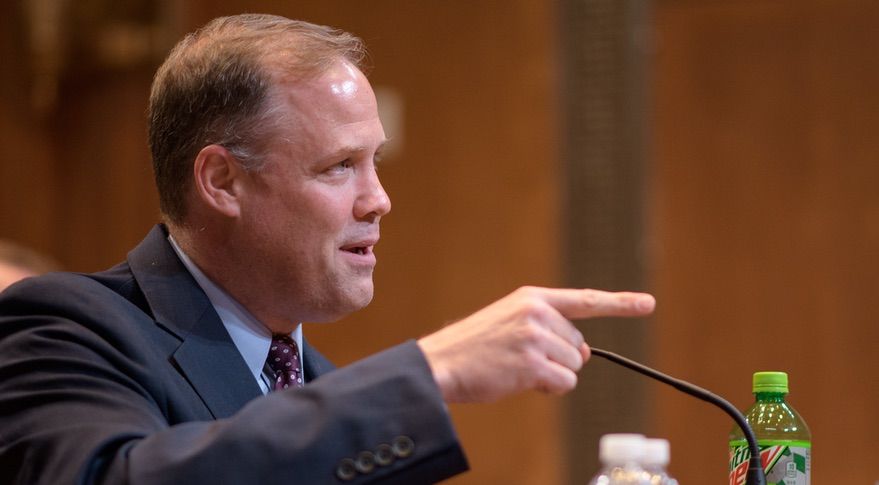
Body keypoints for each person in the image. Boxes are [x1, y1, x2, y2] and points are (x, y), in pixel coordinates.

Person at [0, 14, 655, 484]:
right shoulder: (65, 325)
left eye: (373, 162)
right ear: (222, 181)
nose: (378, 200)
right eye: (339, 166)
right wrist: (429, 369)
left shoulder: (322, 386)